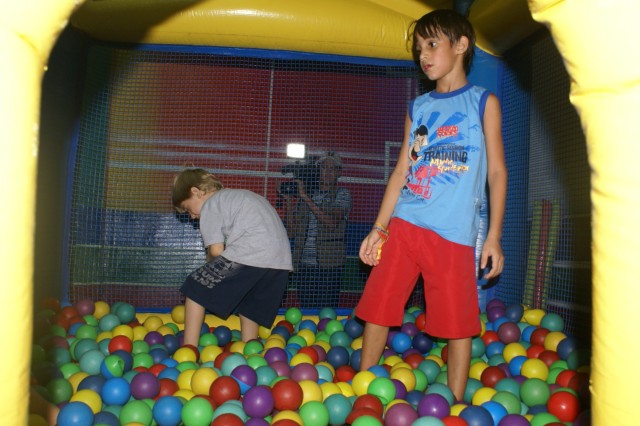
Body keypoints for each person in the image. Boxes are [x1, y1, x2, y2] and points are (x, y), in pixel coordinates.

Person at [355, 9, 507, 402]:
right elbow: (402, 169)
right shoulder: (418, 107)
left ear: (461, 46)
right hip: (406, 222)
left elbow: (497, 173)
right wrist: (379, 227)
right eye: (419, 48)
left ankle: (455, 403)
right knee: (379, 304)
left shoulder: (482, 102)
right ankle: (365, 388)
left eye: (432, 44)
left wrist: (493, 236)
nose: (423, 55)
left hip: (453, 231)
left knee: (458, 323)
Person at [172, 168, 292, 345]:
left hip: (252, 253)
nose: (192, 216)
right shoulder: (244, 196)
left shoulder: (211, 204)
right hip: (280, 262)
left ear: (196, 192)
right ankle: (250, 348)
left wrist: (208, 270)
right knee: (250, 306)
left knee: (194, 288)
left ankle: (189, 348)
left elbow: (216, 251)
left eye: (188, 209)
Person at [282, 151, 352, 309]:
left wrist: (305, 197)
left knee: (326, 311)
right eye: (323, 168)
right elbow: (291, 232)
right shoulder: (307, 195)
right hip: (304, 265)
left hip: (329, 265)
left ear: (338, 173)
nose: (326, 172)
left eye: (331, 169)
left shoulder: (342, 194)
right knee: (307, 308)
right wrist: (288, 201)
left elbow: (332, 222)